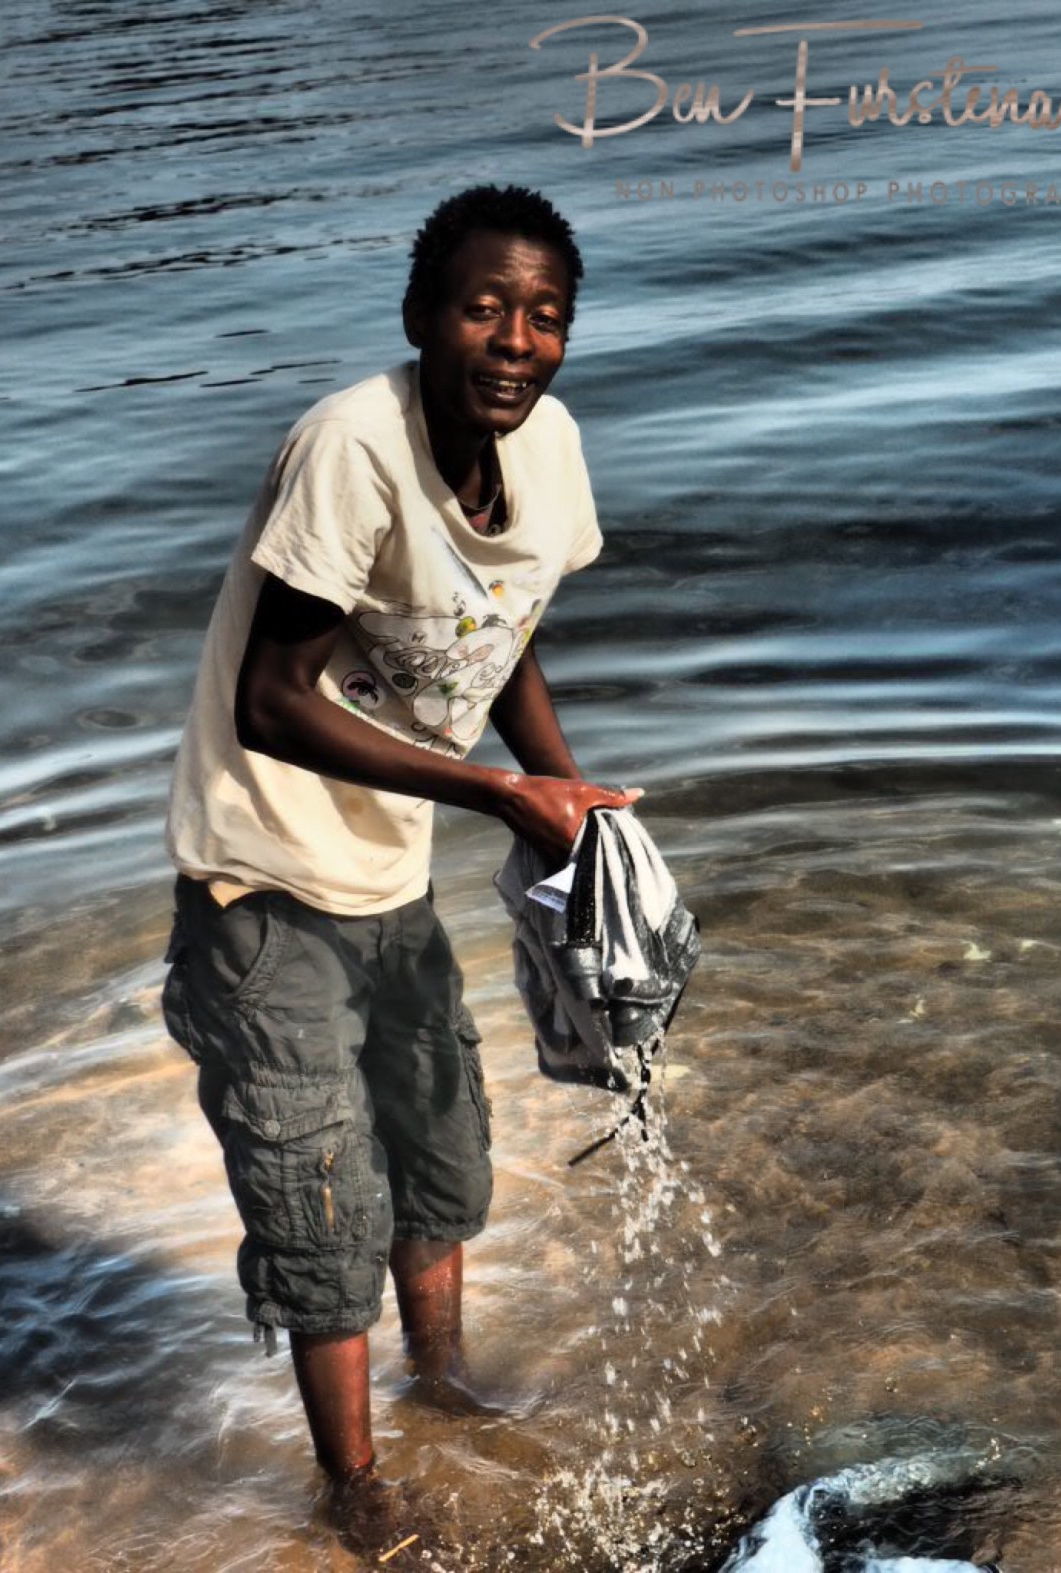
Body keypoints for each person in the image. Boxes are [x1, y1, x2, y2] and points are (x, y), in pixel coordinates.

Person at [161, 183, 639, 1485]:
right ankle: (356, 1493)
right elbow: (269, 701)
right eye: (484, 308)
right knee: (322, 1195)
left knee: (439, 1143)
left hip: (388, 866)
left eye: (545, 315)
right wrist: (497, 796)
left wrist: (567, 795)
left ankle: (443, 1385)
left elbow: (509, 623)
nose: (515, 340)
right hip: (257, 879)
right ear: (425, 317)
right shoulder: (352, 450)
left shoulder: (548, 451)